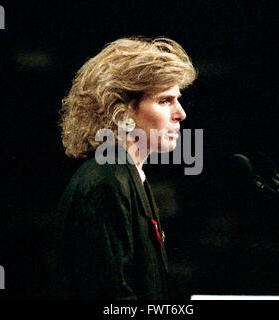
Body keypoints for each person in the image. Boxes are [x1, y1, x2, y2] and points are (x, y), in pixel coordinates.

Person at [54, 36, 197, 300]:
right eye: (165, 101)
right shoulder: (106, 181)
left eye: (177, 99)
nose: (181, 113)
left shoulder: (128, 176)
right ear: (122, 112)